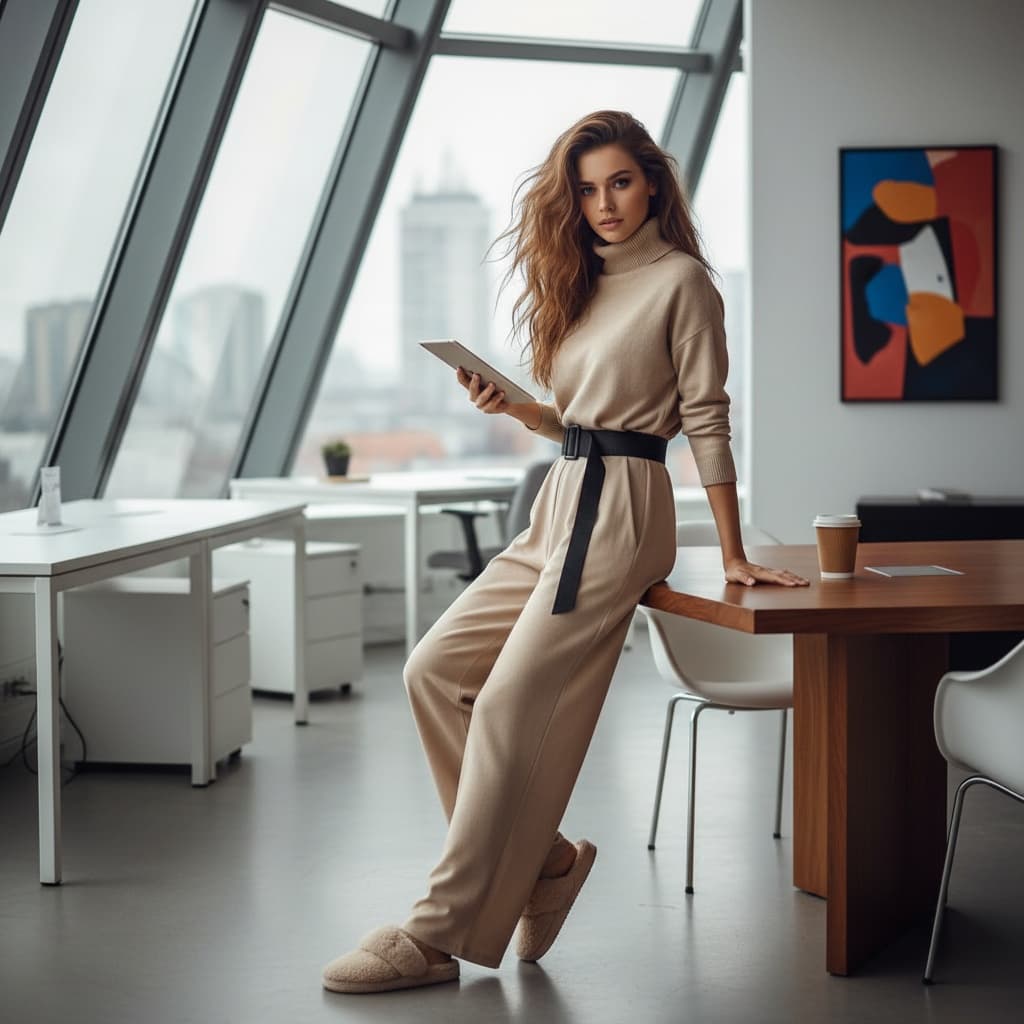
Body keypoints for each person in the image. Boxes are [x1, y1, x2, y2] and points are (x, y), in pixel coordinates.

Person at [321, 109, 809, 995]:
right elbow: (584, 418)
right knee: (433, 673)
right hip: (562, 494)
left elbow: (702, 418)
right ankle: (543, 867)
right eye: (587, 190)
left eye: (619, 182)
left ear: (652, 181)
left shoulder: (683, 283)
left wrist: (733, 551)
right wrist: (515, 408)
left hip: (624, 508)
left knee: (507, 703)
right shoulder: (586, 283)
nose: (604, 204)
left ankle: (441, 932)